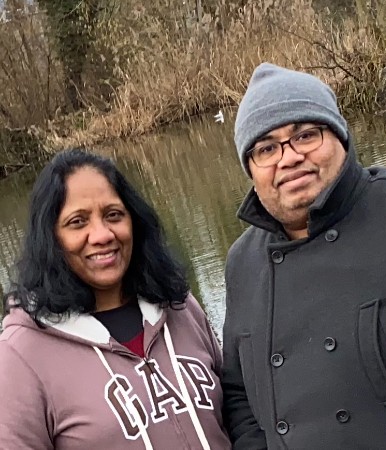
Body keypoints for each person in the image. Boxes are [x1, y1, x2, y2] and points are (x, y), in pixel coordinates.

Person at [222, 62, 386, 450]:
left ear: (340, 137)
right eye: (266, 149)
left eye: (305, 135)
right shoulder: (242, 262)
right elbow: (238, 394)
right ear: (251, 170)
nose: (289, 157)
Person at [0, 149, 231, 450]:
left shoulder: (180, 307)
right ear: (51, 238)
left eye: (113, 215)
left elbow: (234, 413)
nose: (102, 235)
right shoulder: (20, 355)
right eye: (78, 222)